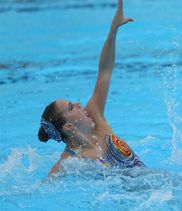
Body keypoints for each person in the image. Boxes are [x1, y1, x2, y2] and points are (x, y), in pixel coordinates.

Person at [38, 0, 145, 176]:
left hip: (159, 186)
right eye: (72, 107)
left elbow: (105, 70)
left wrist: (113, 30)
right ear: (69, 127)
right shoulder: (69, 163)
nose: (79, 104)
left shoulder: (96, 119)